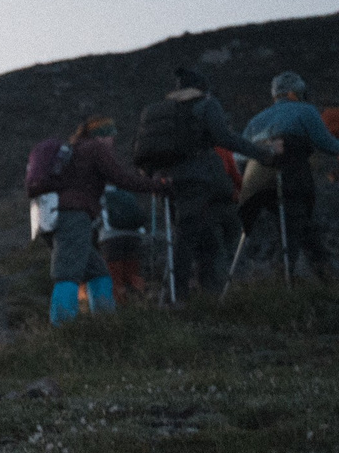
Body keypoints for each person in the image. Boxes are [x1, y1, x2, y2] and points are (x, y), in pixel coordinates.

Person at [138, 67, 272, 297]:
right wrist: (262, 154)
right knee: (191, 236)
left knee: (196, 237)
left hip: (169, 181)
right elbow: (225, 138)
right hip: (200, 181)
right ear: (202, 88)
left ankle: (191, 295)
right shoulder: (206, 105)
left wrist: (153, 178)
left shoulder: (162, 110)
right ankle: (184, 295)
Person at [30, 117, 169, 323]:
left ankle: (106, 323)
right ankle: (63, 329)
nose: (113, 140)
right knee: (67, 272)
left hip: (55, 216)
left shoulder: (76, 150)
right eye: (111, 135)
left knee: (98, 271)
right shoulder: (94, 148)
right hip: (74, 216)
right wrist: (157, 185)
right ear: (102, 135)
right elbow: (121, 178)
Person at [240, 72, 339, 281]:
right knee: (293, 232)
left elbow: (239, 154)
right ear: (295, 92)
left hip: (256, 185)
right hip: (292, 180)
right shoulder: (305, 111)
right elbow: (329, 145)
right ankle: (284, 286)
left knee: (302, 228)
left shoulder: (257, 120)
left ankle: (326, 276)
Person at [99, 184, 152, 298]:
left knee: (115, 279)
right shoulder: (127, 194)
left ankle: (119, 309)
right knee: (132, 275)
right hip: (134, 237)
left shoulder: (99, 194)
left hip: (111, 239)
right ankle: (142, 300)